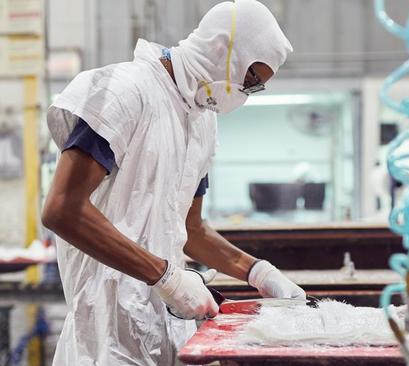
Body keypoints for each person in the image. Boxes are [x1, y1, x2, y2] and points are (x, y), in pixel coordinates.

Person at [41, 1, 304, 364]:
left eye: (255, 87)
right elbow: (63, 210)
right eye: (250, 79)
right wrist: (168, 279)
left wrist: (257, 272)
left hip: (170, 331)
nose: (245, 92)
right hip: (104, 336)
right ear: (221, 48)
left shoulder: (202, 121)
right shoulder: (122, 90)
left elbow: (190, 228)